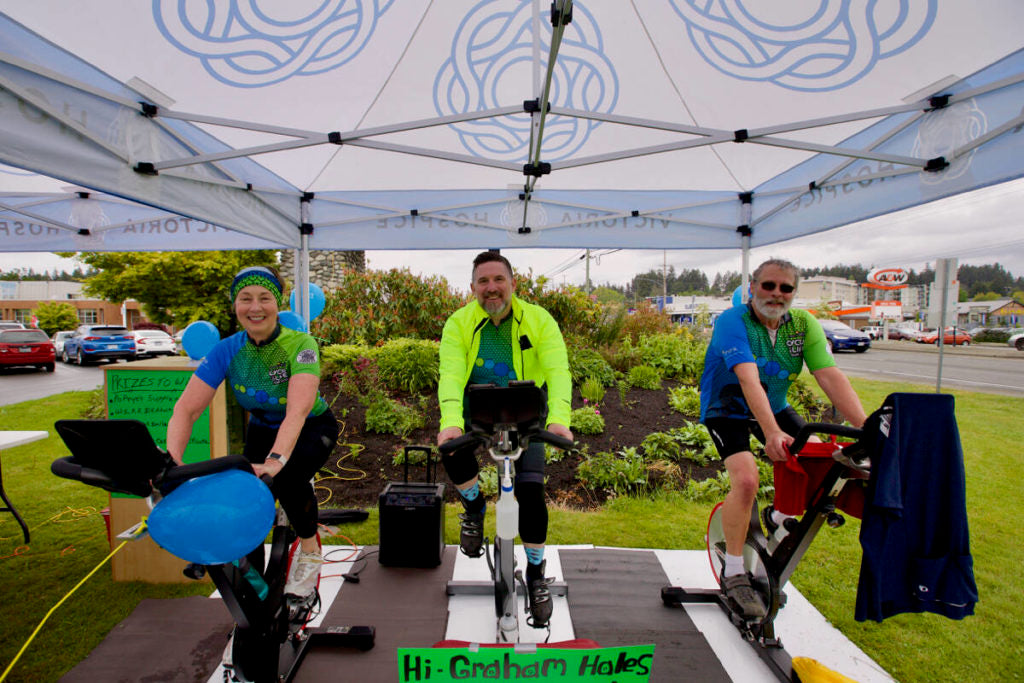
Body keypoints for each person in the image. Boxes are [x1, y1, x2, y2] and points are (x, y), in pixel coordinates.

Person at [699, 258, 867, 618]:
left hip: (774, 405)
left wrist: (866, 427)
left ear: (794, 293)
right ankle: (733, 571)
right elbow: (748, 379)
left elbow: (829, 376)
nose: (777, 293)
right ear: (752, 288)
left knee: (816, 462)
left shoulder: (804, 325)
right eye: (768, 285)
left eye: (786, 288)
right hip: (726, 408)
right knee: (746, 480)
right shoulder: (733, 321)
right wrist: (772, 432)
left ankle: (778, 515)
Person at [167, 265, 337, 602]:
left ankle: (310, 550)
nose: (255, 307)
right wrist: (172, 460)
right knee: (245, 493)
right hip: (261, 428)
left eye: (264, 298)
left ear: (277, 303)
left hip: (311, 426)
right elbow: (186, 410)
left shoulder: (300, 344)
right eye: (245, 299)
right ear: (235, 305)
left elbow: (297, 411)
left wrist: (275, 460)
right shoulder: (227, 350)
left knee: (287, 478)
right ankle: (252, 580)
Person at [437, 251, 573, 628]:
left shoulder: (539, 319)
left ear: (513, 284)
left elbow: (558, 370)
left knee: (530, 493)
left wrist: (559, 420)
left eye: (499, 280)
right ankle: (474, 508)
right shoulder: (459, 323)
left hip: (525, 410)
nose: (491, 288)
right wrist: (451, 422)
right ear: (472, 288)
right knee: (452, 451)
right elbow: (451, 375)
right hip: (479, 408)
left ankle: (535, 572)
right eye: (483, 281)